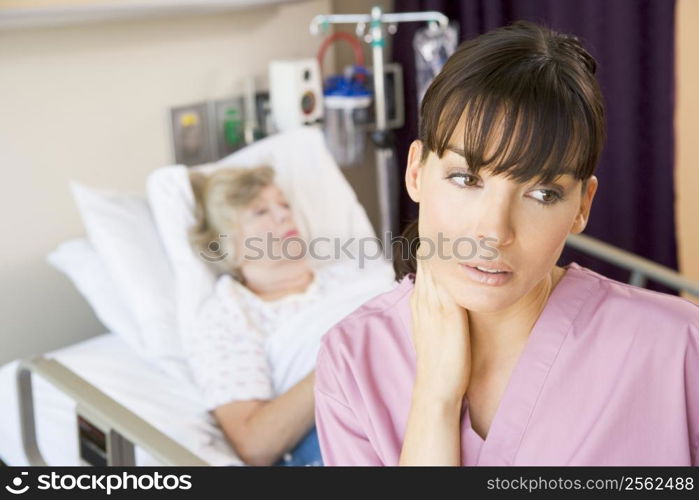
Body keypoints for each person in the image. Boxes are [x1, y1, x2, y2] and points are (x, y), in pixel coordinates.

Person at [313, 20, 699, 466]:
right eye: (465, 179)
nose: (495, 232)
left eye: (542, 194)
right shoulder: (352, 363)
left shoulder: (678, 350)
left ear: (582, 205)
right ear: (416, 172)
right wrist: (435, 397)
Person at [183, 165, 355, 466]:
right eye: (259, 212)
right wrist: (345, 359)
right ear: (228, 245)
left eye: (284, 205)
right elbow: (253, 444)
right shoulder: (231, 315)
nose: (282, 215)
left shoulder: (353, 276)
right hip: (338, 429)